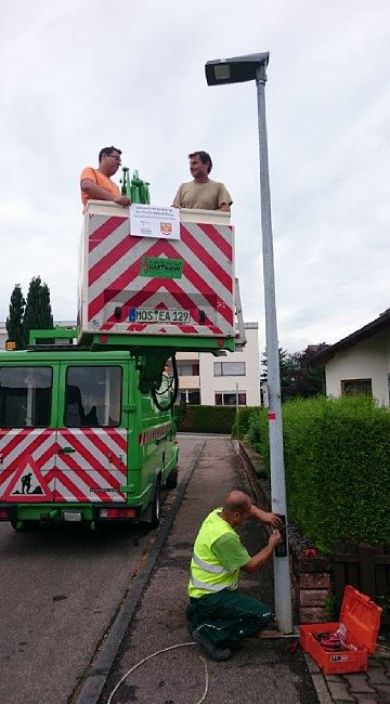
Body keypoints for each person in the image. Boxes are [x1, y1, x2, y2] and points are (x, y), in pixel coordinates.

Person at [187, 490, 282, 661]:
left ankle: (201, 619)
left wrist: (264, 516)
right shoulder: (224, 538)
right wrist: (271, 545)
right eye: (244, 516)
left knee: (242, 610)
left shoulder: (216, 515)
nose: (246, 519)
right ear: (236, 515)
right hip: (211, 597)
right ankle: (208, 633)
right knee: (263, 615)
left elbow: (248, 508)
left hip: (203, 594)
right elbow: (252, 566)